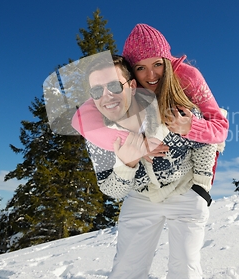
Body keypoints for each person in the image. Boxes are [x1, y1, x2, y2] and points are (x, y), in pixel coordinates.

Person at [78, 54, 217, 279]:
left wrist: (201, 187)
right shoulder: (99, 132)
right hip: (140, 198)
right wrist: (128, 163)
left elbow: (205, 141)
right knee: (126, 270)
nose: (106, 96)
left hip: (183, 191)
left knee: (185, 269)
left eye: (114, 85)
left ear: (132, 85)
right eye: (96, 91)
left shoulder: (172, 107)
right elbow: (111, 189)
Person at [72, 24, 228, 166]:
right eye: (140, 68)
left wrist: (191, 126)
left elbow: (220, 128)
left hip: (194, 156)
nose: (151, 75)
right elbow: (81, 118)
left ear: (166, 62)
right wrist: (136, 143)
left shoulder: (187, 76)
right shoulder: (125, 85)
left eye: (157, 64)